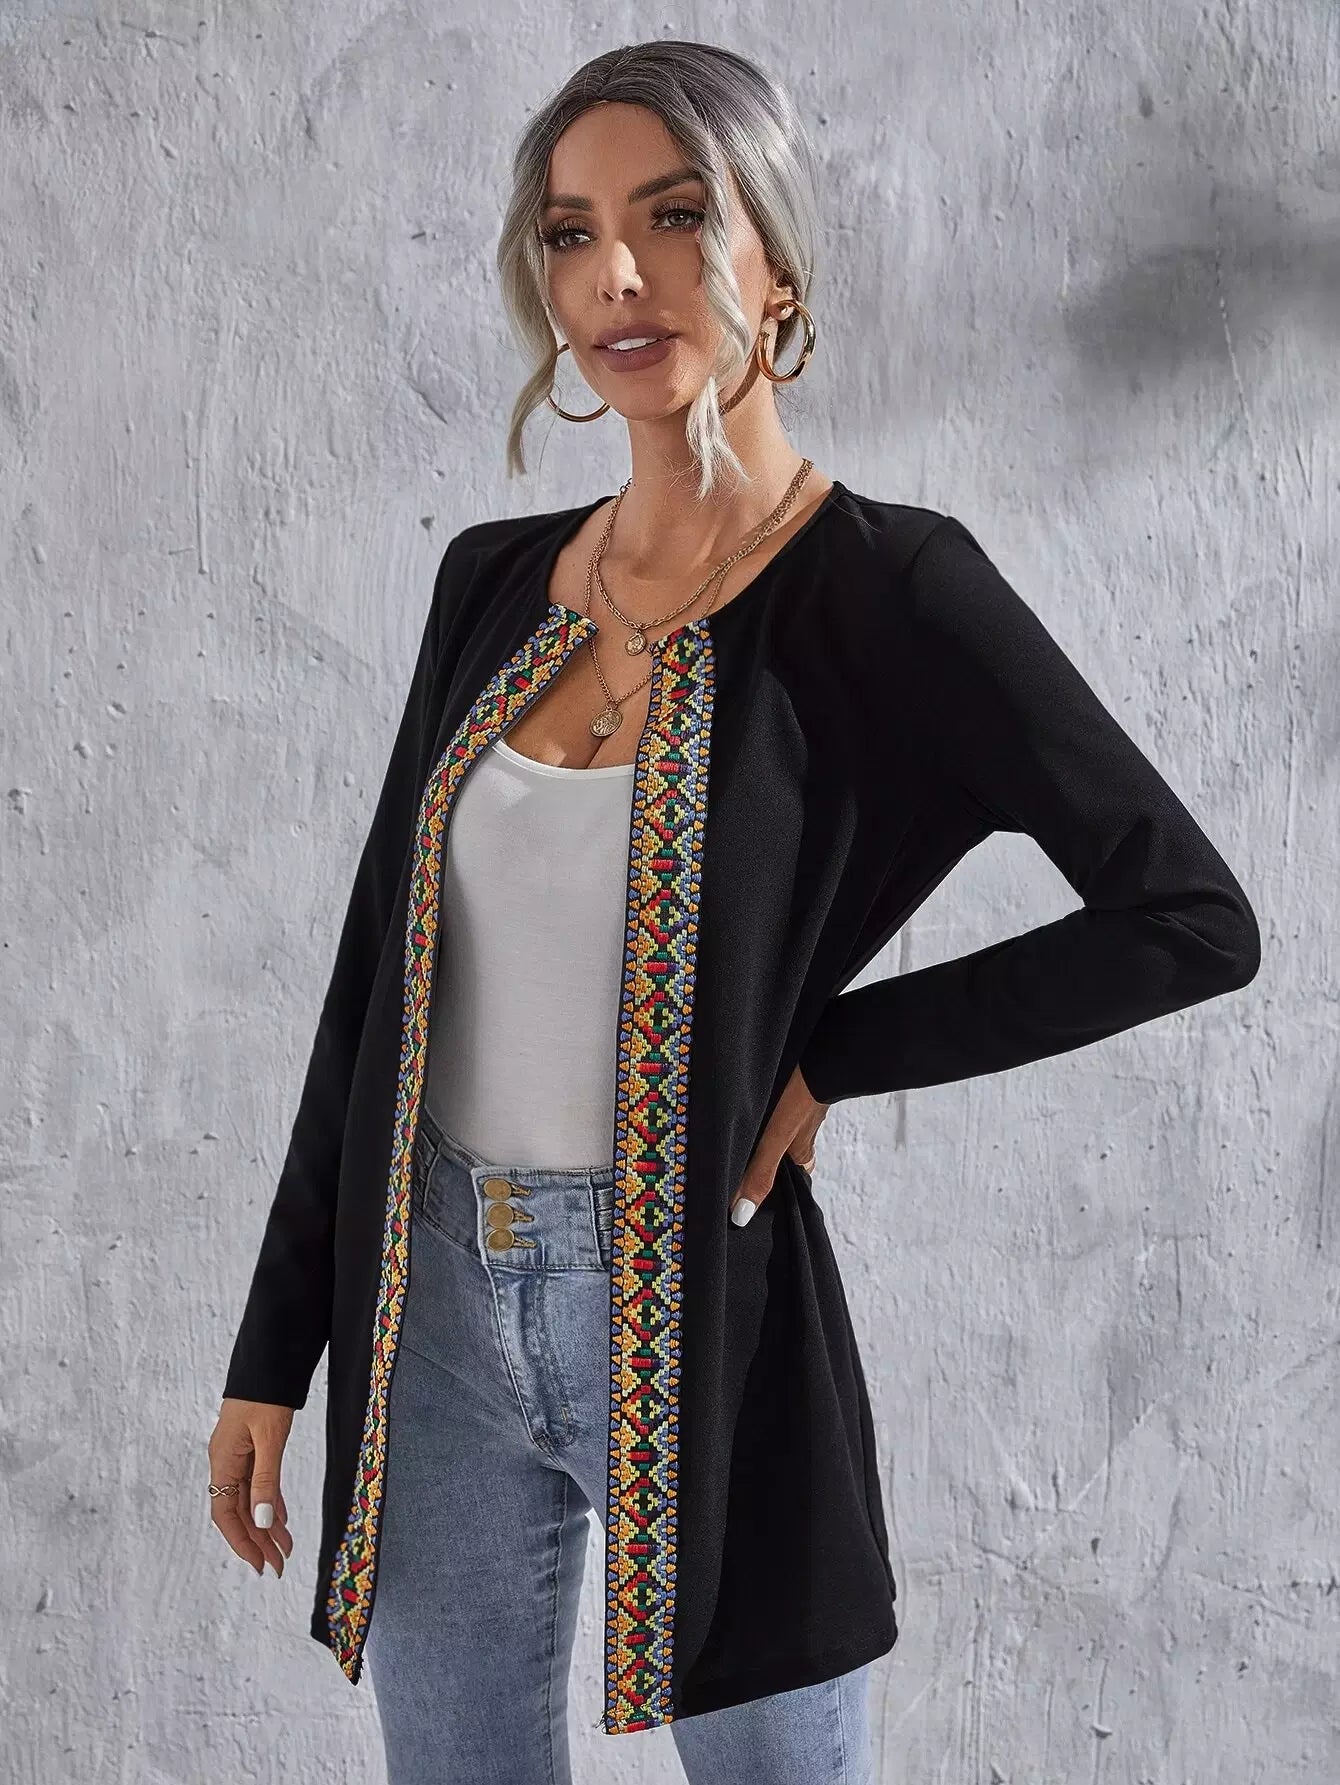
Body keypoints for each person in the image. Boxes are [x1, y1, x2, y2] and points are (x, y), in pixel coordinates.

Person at [206, 38, 1261, 1785]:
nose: (617, 275)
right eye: (572, 233)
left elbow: (1190, 914)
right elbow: (372, 990)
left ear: (776, 260)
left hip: (703, 1309)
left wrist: (836, 1049)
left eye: (676, 217)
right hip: (432, 1310)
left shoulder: (893, 588)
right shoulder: (491, 581)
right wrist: (274, 1347)